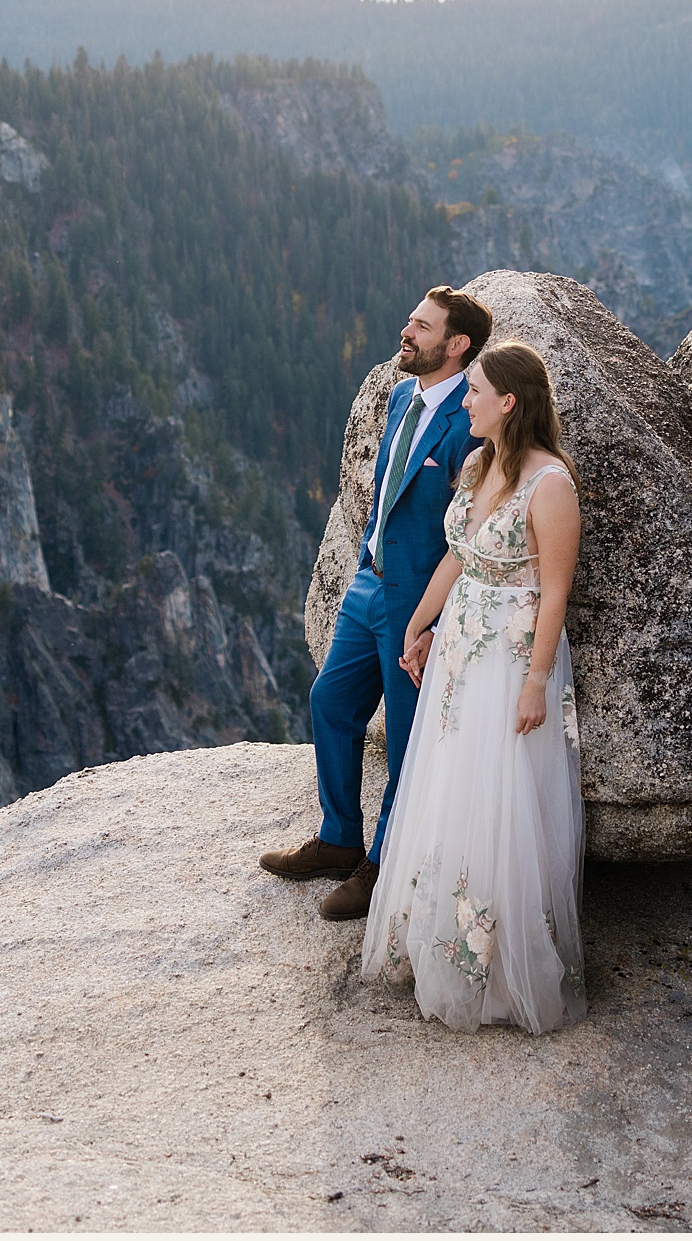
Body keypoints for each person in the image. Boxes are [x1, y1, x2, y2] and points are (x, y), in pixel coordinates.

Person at [360, 340, 586, 1034]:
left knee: (501, 798)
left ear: (508, 402)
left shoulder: (550, 485)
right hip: (460, 650)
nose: (464, 401)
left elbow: (555, 593)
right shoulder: (477, 463)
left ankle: (497, 965)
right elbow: (458, 559)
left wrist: (537, 683)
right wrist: (418, 628)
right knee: (448, 784)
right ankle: (438, 940)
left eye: (475, 392)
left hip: (511, 657)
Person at [259, 286, 493, 919]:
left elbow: (469, 526)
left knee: (409, 733)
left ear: (457, 344)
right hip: (370, 583)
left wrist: (431, 616)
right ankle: (338, 839)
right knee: (330, 701)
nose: (406, 331)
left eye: (421, 325)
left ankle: (383, 863)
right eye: (410, 321)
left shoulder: (470, 422)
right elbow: (385, 491)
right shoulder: (399, 398)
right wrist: (367, 555)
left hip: (419, 602)